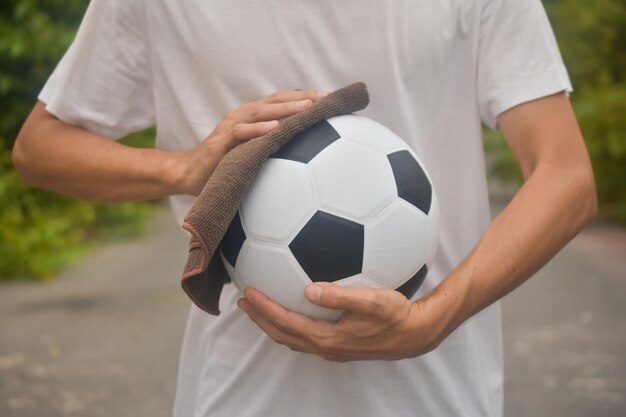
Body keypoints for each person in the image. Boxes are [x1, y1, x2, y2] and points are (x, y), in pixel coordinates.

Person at [12, 0, 596, 416]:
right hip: (239, 392)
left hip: (436, 392)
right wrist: (182, 168)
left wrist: (434, 317)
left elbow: (565, 176)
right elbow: (40, 148)